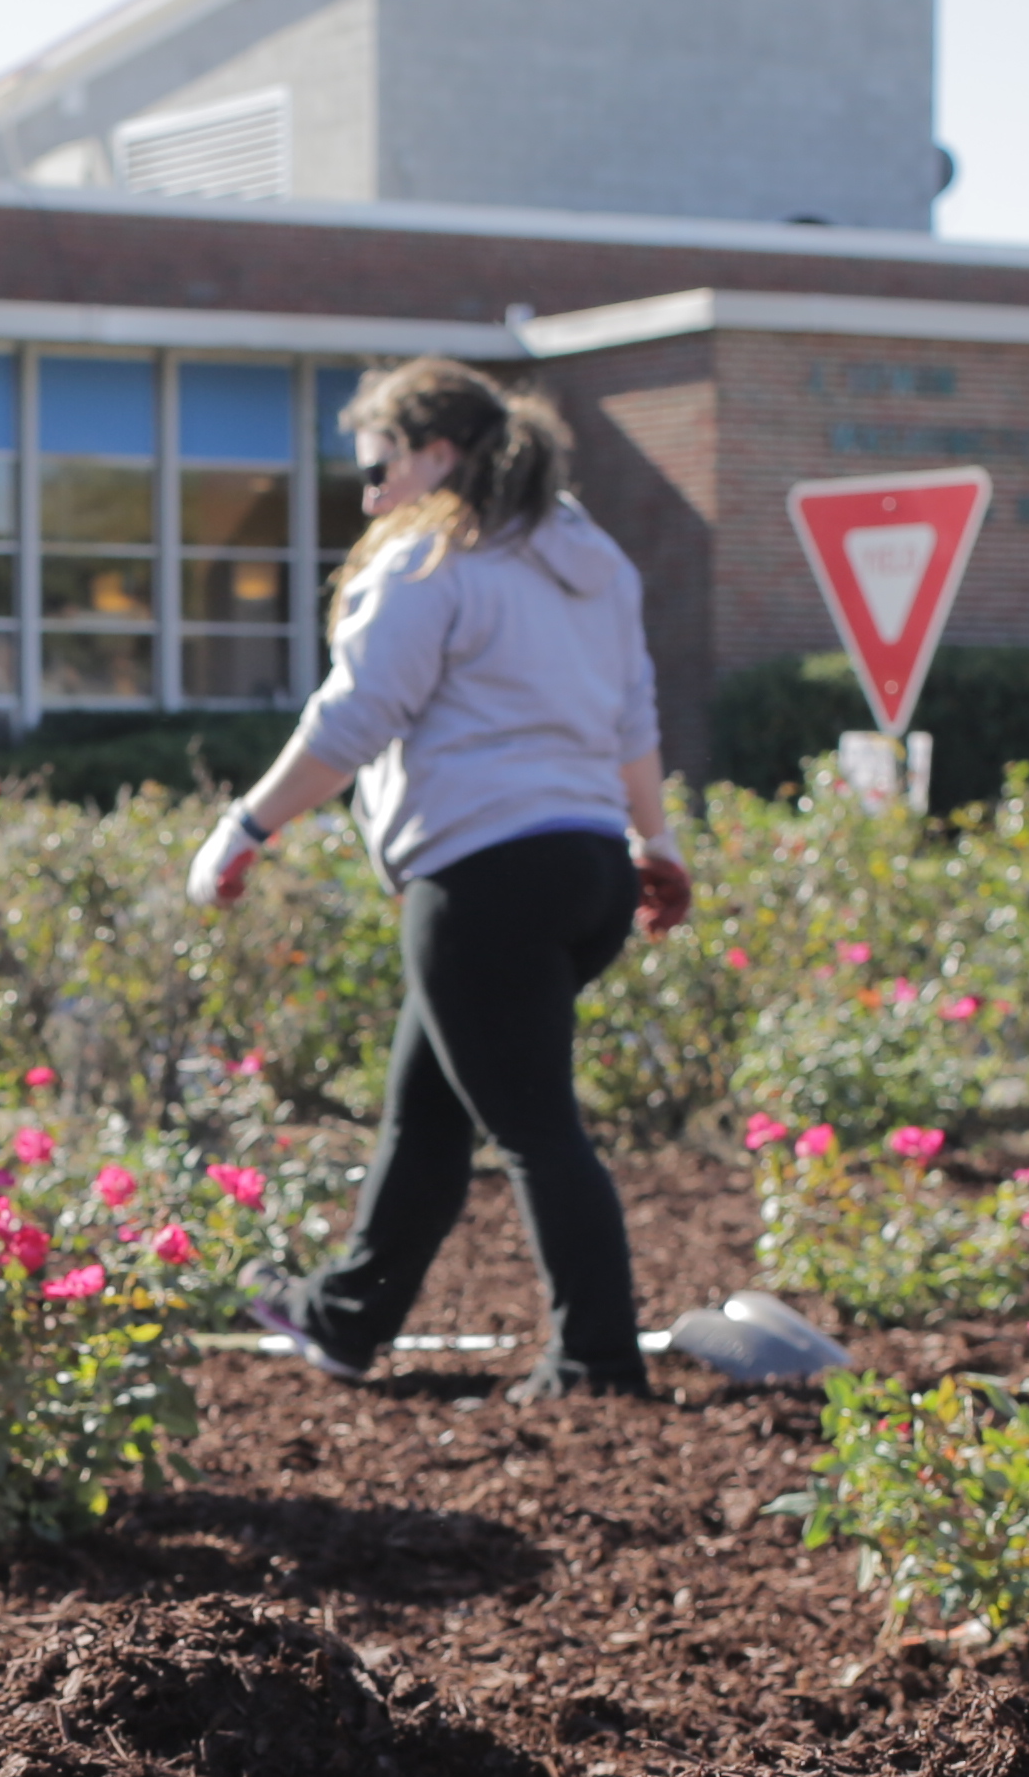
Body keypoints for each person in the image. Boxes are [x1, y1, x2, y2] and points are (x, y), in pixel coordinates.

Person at [186, 358, 691, 1402]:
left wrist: (247, 824)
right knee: (430, 1110)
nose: (369, 498)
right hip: (590, 869)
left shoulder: (429, 560)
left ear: (436, 456)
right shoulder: (590, 562)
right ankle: (346, 1318)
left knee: (535, 1125)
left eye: (377, 470)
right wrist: (658, 844)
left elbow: (355, 719)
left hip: (482, 880)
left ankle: (597, 1361)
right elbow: (634, 718)